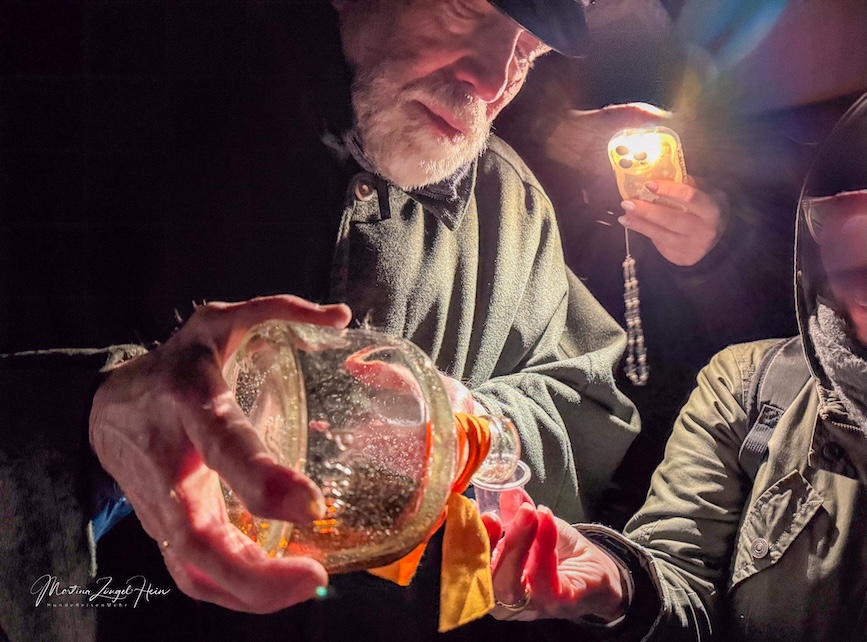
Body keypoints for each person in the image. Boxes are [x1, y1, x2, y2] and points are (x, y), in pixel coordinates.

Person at [0, 1, 639, 641]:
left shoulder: (512, 208)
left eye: (527, 51)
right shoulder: (118, 95)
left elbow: (585, 401)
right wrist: (93, 414)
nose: (493, 81)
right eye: (467, 8)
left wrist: (472, 429)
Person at [483, 92, 867, 640]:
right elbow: (679, 574)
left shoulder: (751, 184)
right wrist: (622, 582)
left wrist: (721, 258)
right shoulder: (750, 385)